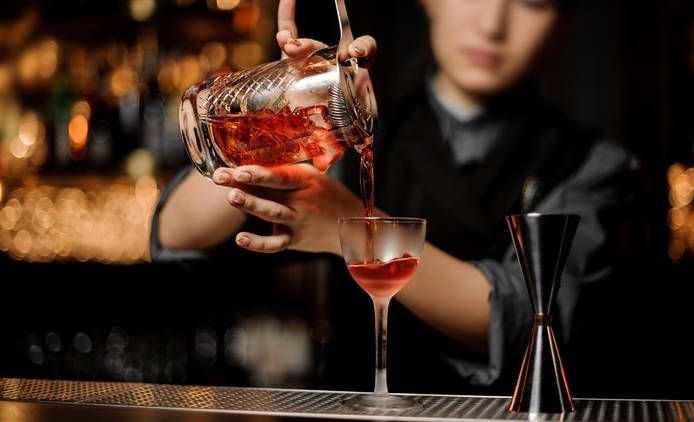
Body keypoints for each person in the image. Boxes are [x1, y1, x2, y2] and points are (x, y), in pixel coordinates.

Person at [152, 0, 638, 394]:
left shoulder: (593, 166)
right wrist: (284, 112)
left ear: (567, 18)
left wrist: (351, 226)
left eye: (532, 3)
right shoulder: (356, 129)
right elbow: (175, 235)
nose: (493, 23)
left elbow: (532, 321)